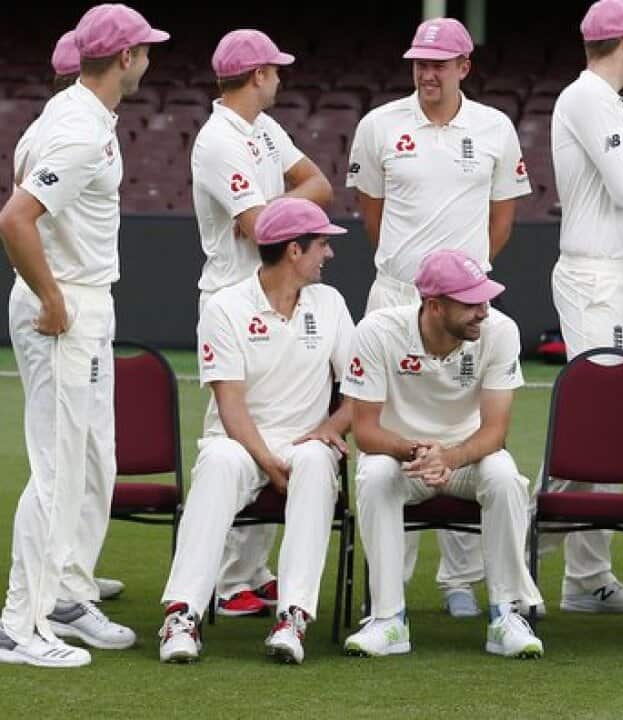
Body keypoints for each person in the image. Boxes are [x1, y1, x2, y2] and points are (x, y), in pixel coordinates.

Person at [346, 17, 531, 617]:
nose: (427, 74)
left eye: (438, 64)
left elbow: (501, 218)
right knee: (384, 443)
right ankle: (388, 588)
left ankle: (461, 580)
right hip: (396, 293)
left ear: (463, 68)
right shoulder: (378, 126)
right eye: (419, 64)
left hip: (464, 303)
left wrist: (462, 283)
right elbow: (371, 212)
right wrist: (415, 276)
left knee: (467, 433)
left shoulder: (496, 128)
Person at [0, 3, 166, 669]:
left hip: (85, 301)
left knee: (95, 458)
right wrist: (52, 298)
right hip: (64, 306)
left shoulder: (82, 117)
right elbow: (15, 218)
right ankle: (20, 622)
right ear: (123, 58)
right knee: (60, 468)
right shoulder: (78, 131)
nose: (149, 61)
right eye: (144, 51)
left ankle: (66, 593)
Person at [157, 198, 353, 664]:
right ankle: (182, 614)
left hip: (305, 441)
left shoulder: (330, 303)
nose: (329, 254)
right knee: (219, 461)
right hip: (242, 442)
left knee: (314, 458)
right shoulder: (226, 307)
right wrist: (266, 459)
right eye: (322, 244)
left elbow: (359, 393)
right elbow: (231, 405)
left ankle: (294, 617)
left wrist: (330, 426)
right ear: (293, 250)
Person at [192, 27, 334, 619]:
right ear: (257, 77)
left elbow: (319, 185)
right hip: (233, 298)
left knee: (286, 427)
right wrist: (286, 211)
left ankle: (250, 571)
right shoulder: (218, 139)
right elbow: (264, 230)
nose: (280, 77)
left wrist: (282, 212)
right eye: (274, 70)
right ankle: (225, 582)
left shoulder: (264, 129)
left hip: (277, 292)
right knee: (231, 439)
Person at [341, 250, 545, 659]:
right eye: (471, 303)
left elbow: (495, 431)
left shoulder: (502, 331)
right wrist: (417, 451)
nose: (482, 312)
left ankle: (505, 615)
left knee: (504, 476)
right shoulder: (377, 332)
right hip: (405, 460)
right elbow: (365, 432)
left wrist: (449, 457)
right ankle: (388, 619)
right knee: (374, 474)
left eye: (484, 300)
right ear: (434, 305)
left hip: (465, 460)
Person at [543, 0, 623, 614]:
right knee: (592, 424)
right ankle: (513, 563)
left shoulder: (601, 102)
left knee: (610, 425)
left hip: (621, 273)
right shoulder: (590, 97)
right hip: (600, 277)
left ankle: (587, 579)